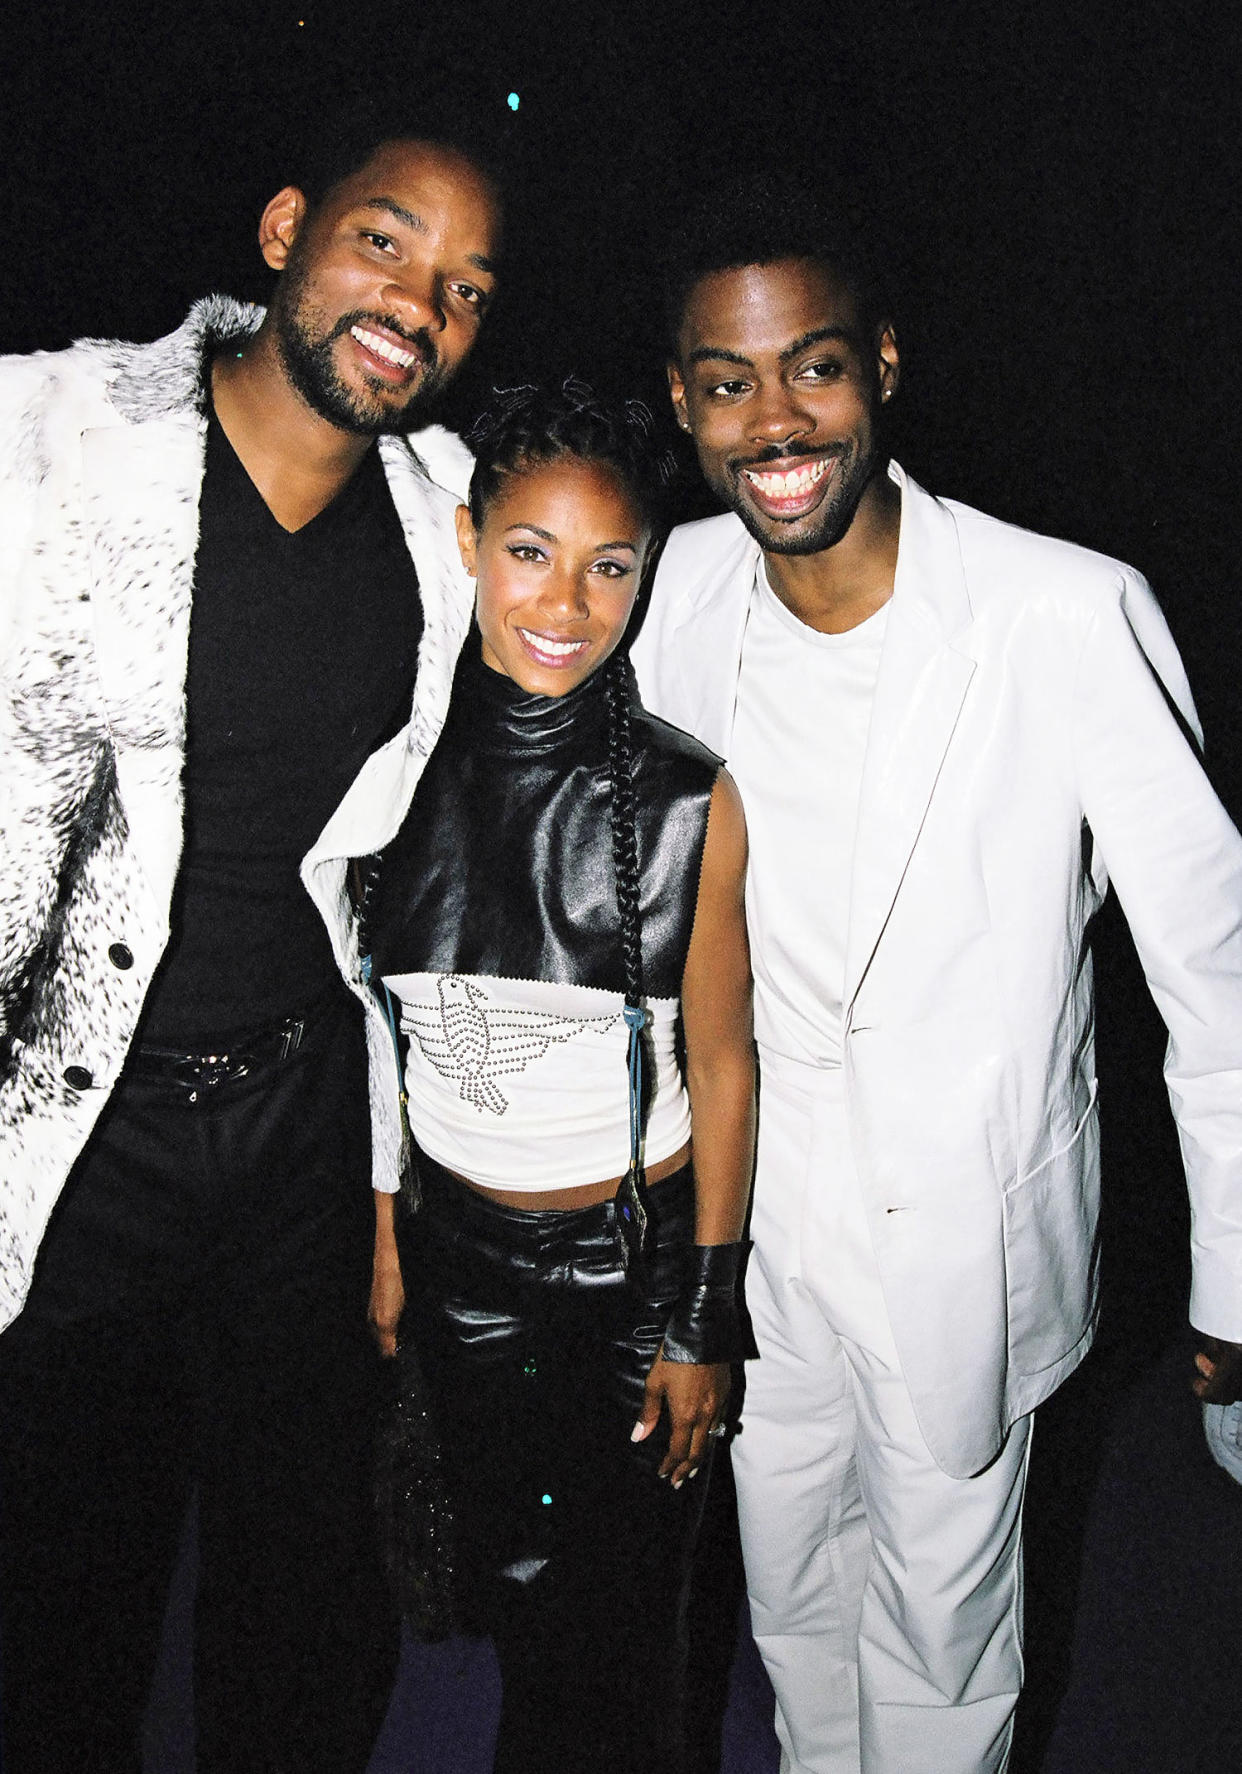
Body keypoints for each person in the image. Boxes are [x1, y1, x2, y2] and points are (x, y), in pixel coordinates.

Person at [628, 173, 1242, 1774]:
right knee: (791, 1601)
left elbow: (1213, 974)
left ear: (882, 365)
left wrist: (1233, 1280)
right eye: (724, 382)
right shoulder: (668, 592)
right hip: (752, 1226)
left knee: (944, 1634)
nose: (773, 420)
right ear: (681, 406)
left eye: (811, 366)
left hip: (963, 1230)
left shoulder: (1062, 610)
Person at [0, 116, 501, 1772]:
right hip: (79, 1137)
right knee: (68, 1603)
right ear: (287, 228)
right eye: (384, 242)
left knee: (302, 1612)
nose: (419, 304)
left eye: (465, 288)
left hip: (295, 1126)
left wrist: (382, 1183)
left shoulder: (448, 531)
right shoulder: (50, 431)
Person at [302, 382, 757, 1773]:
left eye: (609, 562)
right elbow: (384, 1030)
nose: (565, 599)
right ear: (466, 539)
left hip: (633, 1268)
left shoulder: (689, 797)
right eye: (528, 551)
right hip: (458, 1261)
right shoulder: (384, 778)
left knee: (623, 1617)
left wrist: (701, 1318)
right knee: (503, 1582)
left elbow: (727, 1064)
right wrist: (388, 1228)